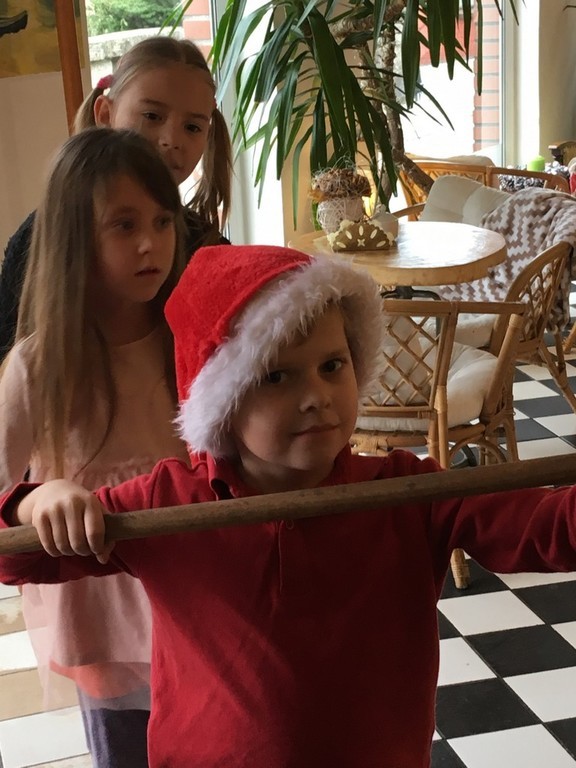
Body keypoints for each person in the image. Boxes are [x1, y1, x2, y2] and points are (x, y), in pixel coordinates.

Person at [3, 243, 576, 767]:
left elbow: (546, 529)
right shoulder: (168, 505)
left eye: (333, 366)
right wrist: (38, 503)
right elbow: (14, 556)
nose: (316, 397)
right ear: (224, 402)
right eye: (276, 376)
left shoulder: (406, 492)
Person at [0, 128, 190, 767]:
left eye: (162, 221)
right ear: (74, 239)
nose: (150, 243)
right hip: (103, 616)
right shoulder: (37, 367)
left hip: (198, 594)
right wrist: (36, 500)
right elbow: (0, 494)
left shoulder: (192, 339)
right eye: (124, 225)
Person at [0, 35, 232, 361]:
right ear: (105, 113)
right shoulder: (41, 235)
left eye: (192, 127)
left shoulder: (210, 251)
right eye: (152, 116)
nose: (171, 140)